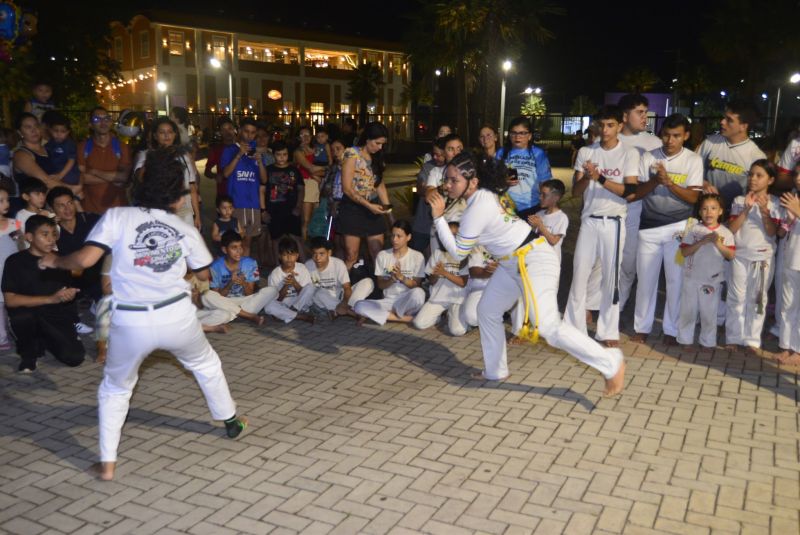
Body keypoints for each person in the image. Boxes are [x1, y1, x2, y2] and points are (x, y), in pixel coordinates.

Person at [39, 148, 248, 481]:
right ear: (177, 197)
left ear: (139, 187)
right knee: (206, 364)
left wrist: (54, 260)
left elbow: (83, 261)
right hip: (177, 317)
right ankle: (231, 421)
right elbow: (204, 275)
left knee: (115, 388)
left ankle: (107, 464)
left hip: (131, 321)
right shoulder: (184, 229)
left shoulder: (117, 217)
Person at [428, 153, 625, 395]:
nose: (448, 185)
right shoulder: (483, 196)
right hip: (513, 263)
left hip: (533, 260)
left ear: (474, 181)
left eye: (454, 180)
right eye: (447, 180)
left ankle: (610, 361)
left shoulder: (477, 206)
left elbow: (459, 252)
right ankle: (495, 370)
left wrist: (438, 217)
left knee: (548, 326)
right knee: (487, 311)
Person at [565, 106, 640, 347]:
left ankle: (607, 331)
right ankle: (573, 327)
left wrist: (600, 178)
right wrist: (588, 177)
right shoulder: (586, 151)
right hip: (589, 220)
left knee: (610, 278)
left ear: (620, 126)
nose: (605, 130)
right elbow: (576, 192)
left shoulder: (629, 153)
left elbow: (630, 191)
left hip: (614, 222)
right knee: (579, 273)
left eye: (610, 125)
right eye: (601, 125)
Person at [627, 114, 703, 345]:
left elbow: (693, 197)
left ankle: (671, 330)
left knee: (675, 281)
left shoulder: (693, 160)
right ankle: (642, 328)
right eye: (667, 135)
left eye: (676, 136)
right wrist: (655, 181)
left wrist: (669, 182)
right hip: (648, 228)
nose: (670, 140)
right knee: (645, 281)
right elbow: (636, 194)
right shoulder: (649, 157)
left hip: (679, 229)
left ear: (686, 136)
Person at [3, 215, 85, 372]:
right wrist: (50, 299)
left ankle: (44, 339)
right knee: (21, 318)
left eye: (54, 234)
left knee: (74, 358)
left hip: (55, 315)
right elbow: (10, 300)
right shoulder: (15, 261)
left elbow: (67, 289)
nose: (51, 239)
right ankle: (28, 354)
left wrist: (69, 295)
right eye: (45, 234)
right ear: (29, 237)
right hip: (29, 314)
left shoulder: (61, 259)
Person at [725, 160, 783, 352]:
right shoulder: (739, 200)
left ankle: (751, 340)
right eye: (751, 174)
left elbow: (773, 232)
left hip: (763, 258)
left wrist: (765, 211)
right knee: (736, 297)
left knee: (757, 299)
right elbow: (731, 229)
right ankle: (733, 337)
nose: (753, 179)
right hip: (739, 256)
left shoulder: (776, 203)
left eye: (759, 175)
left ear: (770, 180)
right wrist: (746, 209)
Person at [616, 94, 664, 311]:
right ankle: (598, 302)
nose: (645, 117)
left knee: (629, 260)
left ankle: (619, 304)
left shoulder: (654, 143)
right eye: (640, 112)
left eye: (646, 112)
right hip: (609, 207)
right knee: (605, 259)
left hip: (636, 209)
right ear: (625, 116)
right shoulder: (610, 138)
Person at [676, 194, 735, 350]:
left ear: (720, 211)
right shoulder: (694, 230)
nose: (709, 212)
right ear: (699, 212)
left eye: (713, 208)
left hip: (712, 280)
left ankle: (707, 341)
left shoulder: (726, 233)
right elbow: (685, 252)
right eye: (704, 209)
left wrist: (716, 242)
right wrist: (702, 241)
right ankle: (685, 339)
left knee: (708, 313)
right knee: (688, 311)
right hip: (691, 278)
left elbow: (730, 255)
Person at [338, 122, 391, 270]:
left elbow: (379, 184)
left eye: (383, 144)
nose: (380, 147)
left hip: (373, 206)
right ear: (367, 139)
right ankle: (344, 283)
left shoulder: (378, 156)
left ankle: (379, 283)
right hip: (353, 208)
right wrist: (369, 206)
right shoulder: (351, 154)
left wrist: (389, 212)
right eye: (377, 143)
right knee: (351, 255)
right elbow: (347, 189)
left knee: (377, 253)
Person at [696, 100, 766, 210]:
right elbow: (692, 171)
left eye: (729, 120)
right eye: (724, 117)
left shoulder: (756, 156)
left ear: (743, 126)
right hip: (707, 211)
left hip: (737, 213)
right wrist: (703, 184)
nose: (722, 122)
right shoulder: (710, 142)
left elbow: (758, 191)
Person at [353, 220, 425, 325]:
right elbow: (381, 285)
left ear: (408, 237)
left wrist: (401, 277)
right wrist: (392, 279)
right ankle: (407, 319)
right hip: (389, 302)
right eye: (393, 235)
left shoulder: (417, 256)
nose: (394, 240)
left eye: (399, 236)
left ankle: (385, 315)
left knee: (419, 293)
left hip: (407, 300)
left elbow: (416, 285)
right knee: (359, 306)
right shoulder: (383, 255)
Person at [133, 117, 201, 229]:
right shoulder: (145, 155)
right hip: (157, 211)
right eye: (162, 132)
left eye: (170, 132)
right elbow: (140, 178)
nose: (166, 135)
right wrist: (154, 156)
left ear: (175, 135)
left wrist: (197, 215)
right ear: (155, 136)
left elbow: (192, 187)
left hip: (184, 211)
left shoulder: (184, 156)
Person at [202, 231, 277, 326]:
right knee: (207, 295)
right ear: (224, 250)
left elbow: (249, 293)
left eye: (240, 246)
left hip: (245, 302)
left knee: (272, 290)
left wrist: (243, 283)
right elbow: (217, 296)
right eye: (234, 248)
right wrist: (230, 283)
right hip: (226, 301)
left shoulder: (250, 263)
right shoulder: (215, 266)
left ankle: (236, 313)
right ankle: (248, 315)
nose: (239, 251)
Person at [412, 221, 469, 336]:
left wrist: (445, 273)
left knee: (457, 331)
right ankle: (438, 317)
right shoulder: (437, 253)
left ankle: (450, 315)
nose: (452, 238)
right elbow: (431, 281)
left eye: (455, 235)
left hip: (457, 299)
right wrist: (436, 274)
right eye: (449, 235)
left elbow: (463, 282)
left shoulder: (465, 255)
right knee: (419, 323)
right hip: (438, 298)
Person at [48, 187, 103, 304]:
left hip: (99, 281)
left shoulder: (91, 220)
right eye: (61, 206)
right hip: (70, 287)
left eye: (70, 203)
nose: (67, 209)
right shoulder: (51, 230)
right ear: (52, 209)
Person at [221, 118, 267, 257]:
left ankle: (244, 269)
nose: (249, 135)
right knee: (234, 243)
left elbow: (264, 179)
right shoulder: (230, 150)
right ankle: (233, 269)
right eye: (246, 131)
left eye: (253, 132)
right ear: (240, 130)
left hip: (253, 204)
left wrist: (260, 162)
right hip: (235, 204)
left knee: (247, 243)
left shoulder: (257, 152)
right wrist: (239, 154)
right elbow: (226, 173)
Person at [495, 117, 553, 219]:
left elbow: (545, 182)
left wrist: (547, 204)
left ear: (529, 136)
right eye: (513, 133)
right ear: (509, 135)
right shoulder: (501, 153)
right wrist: (503, 181)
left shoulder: (538, 154)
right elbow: (494, 178)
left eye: (522, 133)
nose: (517, 136)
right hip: (506, 205)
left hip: (531, 206)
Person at [78, 107, 132, 214]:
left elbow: (124, 177)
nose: (103, 122)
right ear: (90, 124)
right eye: (97, 119)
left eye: (106, 118)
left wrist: (94, 172)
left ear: (111, 122)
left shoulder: (122, 147)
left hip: (118, 211)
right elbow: (82, 178)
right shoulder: (83, 147)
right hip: (91, 211)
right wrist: (114, 178)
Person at [306, 236, 374, 319]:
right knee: (317, 292)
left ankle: (339, 310)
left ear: (329, 253)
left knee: (368, 282)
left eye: (321, 254)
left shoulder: (338, 264)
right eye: (314, 254)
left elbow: (347, 288)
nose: (317, 258)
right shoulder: (308, 265)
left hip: (342, 297)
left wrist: (344, 304)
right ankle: (350, 312)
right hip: (324, 298)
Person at [263, 141, 304, 261]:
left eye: (285, 154)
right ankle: (278, 266)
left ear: (288, 155)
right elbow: (262, 191)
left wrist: (299, 206)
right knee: (275, 239)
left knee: (296, 238)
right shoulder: (268, 170)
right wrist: (263, 211)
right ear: (273, 155)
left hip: (292, 209)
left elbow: (301, 189)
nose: (282, 157)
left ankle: (304, 266)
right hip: (274, 210)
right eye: (278, 154)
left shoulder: (294, 170)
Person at [776, 171, 800, 364]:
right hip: (790, 256)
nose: (798, 178)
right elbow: (781, 233)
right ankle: (786, 346)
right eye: (797, 174)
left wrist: (797, 211)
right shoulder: (793, 197)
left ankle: (798, 351)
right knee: (787, 304)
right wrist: (788, 222)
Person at [264, 238, 315, 323]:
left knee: (311, 287)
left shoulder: (302, 268)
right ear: (279, 256)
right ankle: (300, 316)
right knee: (268, 306)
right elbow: (278, 299)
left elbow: (305, 293)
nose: (289, 258)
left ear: (297, 256)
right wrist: (286, 285)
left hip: (300, 303)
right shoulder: (274, 274)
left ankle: (291, 312)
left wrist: (294, 282)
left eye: (292, 255)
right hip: (284, 303)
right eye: (285, 255)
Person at [411, 140, 446, 254]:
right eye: (434, 154)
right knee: (417, 252)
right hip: (424, 220)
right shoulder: (429, 167)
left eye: (439, 155)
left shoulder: (454, 168)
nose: (435, 157)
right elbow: (421, 189)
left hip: (443, 221)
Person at [12, 113, 59, 192]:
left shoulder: (50, 149)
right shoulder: (20, 155)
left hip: (62, 195)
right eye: (28, 127)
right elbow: (46, 181)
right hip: (41, 198)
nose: (34, 130)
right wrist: (72, 189)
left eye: (36, 126)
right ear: (19, 132)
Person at [294, 126, 327, 240]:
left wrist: (318, 173)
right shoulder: (298, 152)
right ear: (298, 137)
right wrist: (324, 168)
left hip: (317, 184)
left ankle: (314, 243)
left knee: (316, 218)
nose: (306, 137)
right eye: (302, 135)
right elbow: (310, 168)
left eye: (308, 134)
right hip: (306, 184)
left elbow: (323, 171)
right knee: (306, 219)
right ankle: (304, 244)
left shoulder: (316, 149)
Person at [0, 186, 22, 350]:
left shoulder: (14, 224)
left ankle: (20, 332)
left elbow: (21, 247)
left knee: (15, 303)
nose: (6, 204)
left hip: (13, 272)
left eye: (7, 200)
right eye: (1, 201)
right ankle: (2, 337)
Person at [43, 112, 82, 200]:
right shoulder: (48, 145)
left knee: (69, 197)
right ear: (50, 130)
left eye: (63, 131)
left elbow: (71, 160)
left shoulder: (69, 144)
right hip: (56, 174)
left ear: (68, 132)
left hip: (68, 174)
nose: (59, 134)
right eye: (55, 131)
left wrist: (60, 175)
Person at [461, 246, 498, 330]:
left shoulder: (508, 243)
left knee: (519, 292)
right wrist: (492, 272)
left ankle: (518, 330)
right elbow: (474, 272)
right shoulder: (477, 246)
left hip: (503, 286)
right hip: (480, 288)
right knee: (472, 318)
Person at [205, 117, 237, 199]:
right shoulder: (216, 150)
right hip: (223, 193)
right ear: (220, 132)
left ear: (234, 129)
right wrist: (215, 176)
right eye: (224, 130)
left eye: (230, 128)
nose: (228, 132)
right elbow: (207, 172)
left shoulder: (241, 148)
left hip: (239, 192)